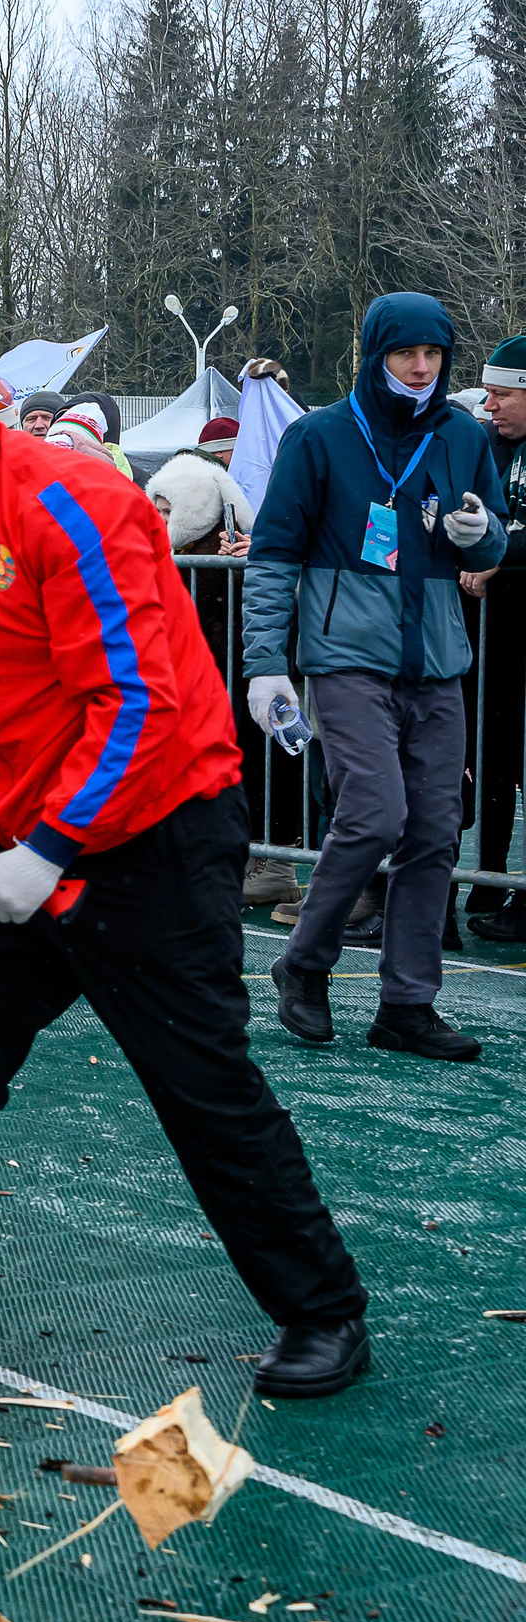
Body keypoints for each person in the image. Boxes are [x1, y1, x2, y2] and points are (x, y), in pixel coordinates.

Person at [0, 336, 372, 1400]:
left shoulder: (66, 498)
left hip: (151, 828)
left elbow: (137, 700)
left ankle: (322, 1309)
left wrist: (50, 850)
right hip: (8, 828)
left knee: (200, 1082)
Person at [245, 292, 506, 1061]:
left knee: (433, 831)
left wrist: (480, 534)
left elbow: (488, 544)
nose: (422, 368)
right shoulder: (317, 436)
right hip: (345, 658)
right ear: (374, 354)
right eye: (405, 355)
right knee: (375, 813)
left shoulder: (465, 434)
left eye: (433, 355)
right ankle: (305, 961)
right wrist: (266, 665)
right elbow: (271, 557)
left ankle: (407, 1004)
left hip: (437, 662)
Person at [147, 448, 308, 910]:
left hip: (248, 684)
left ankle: (272, 862)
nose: (160, 516)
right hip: (211, 686)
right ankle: (238, 858)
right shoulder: (179, 553)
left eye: (168, 507)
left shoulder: (234, 548)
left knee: (261, 765)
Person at [469, 336, 526, 941]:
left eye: (503, 395)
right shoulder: (485, 445)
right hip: (492, 641)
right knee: (492, 759)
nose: (490, 407)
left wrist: (500, 553)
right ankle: (488, 879)